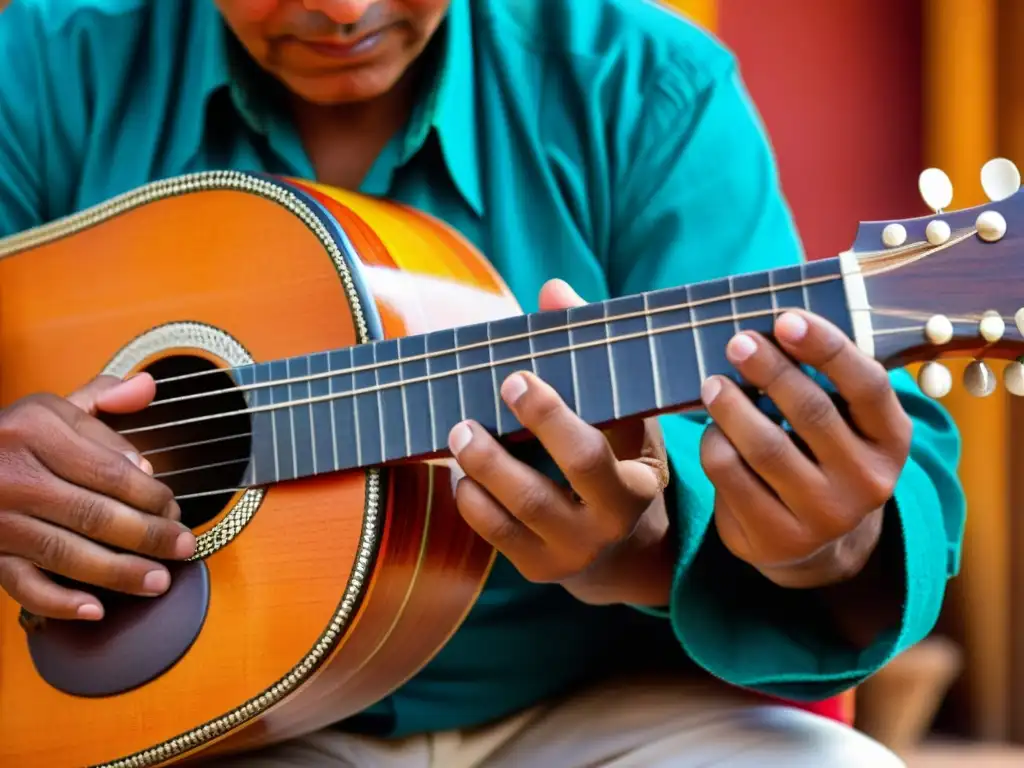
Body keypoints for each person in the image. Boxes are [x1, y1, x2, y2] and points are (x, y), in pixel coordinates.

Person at [0, 0, 965, 766]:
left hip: (590, 710)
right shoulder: (43, 67)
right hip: (215, 735)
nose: (343, 9)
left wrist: (816, 546)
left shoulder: (646, 86)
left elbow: (855, 481)